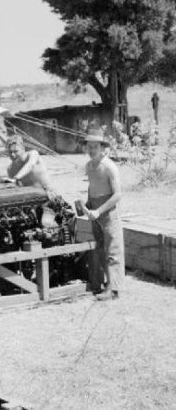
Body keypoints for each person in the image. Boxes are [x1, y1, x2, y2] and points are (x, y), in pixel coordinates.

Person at [81, 129, 124, 301]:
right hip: (95, 210)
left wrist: (99, 210)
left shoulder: (109, 166)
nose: (92, 150)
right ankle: (105, 283)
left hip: (108, 211)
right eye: (89, 147)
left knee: (113, 249)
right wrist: (87, 204)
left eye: (95, 147)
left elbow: (118, 194)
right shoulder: (89, 166)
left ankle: (114, 289)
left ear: (102, 148)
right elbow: (92, 188)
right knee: (100, 248)